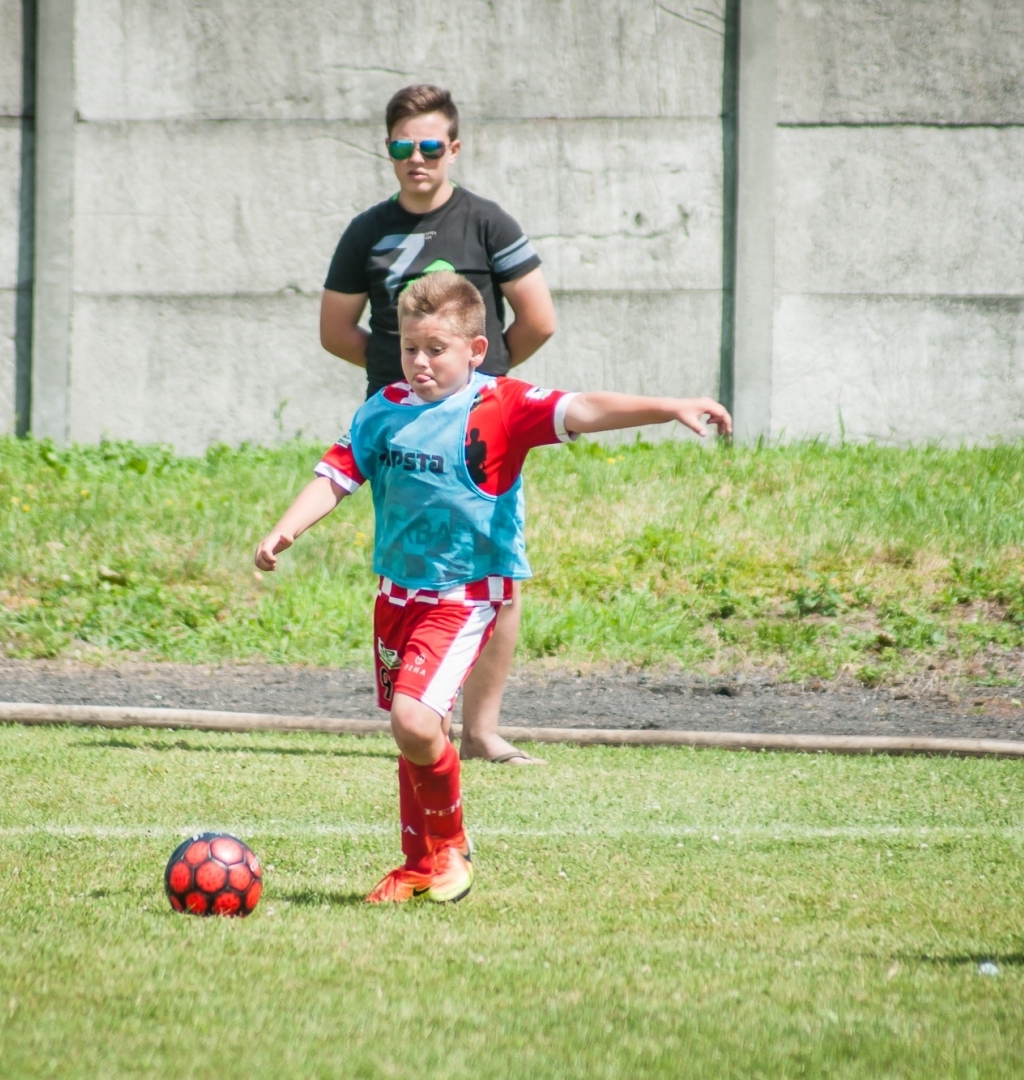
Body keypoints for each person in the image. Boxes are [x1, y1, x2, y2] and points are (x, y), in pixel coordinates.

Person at [258, 273, 730, 903]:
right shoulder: (383, 409)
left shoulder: (499, 405)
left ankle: (450, 847)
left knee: (414, 719)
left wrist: (667, 405)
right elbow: (337, 476)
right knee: (414, 733)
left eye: (436, 349)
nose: (419, 362)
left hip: (464, 594)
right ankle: (419, 864)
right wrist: (285, 529)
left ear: (474, 351)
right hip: (396, 595)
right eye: (408, 348)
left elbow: (582, 407)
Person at [319, 84, 557, 766]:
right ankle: (425, 715)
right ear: (388, 151)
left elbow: (538, 319)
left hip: (482, 434)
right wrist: (406, 383)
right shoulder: (367, 231)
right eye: (402, 146)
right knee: (412, 570)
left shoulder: (487, 223)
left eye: (430, 145)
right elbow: (337, 330)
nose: (416, 158)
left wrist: (483, 384)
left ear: (453, 148)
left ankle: (481, 729)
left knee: (494, 572)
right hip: (398, 436)